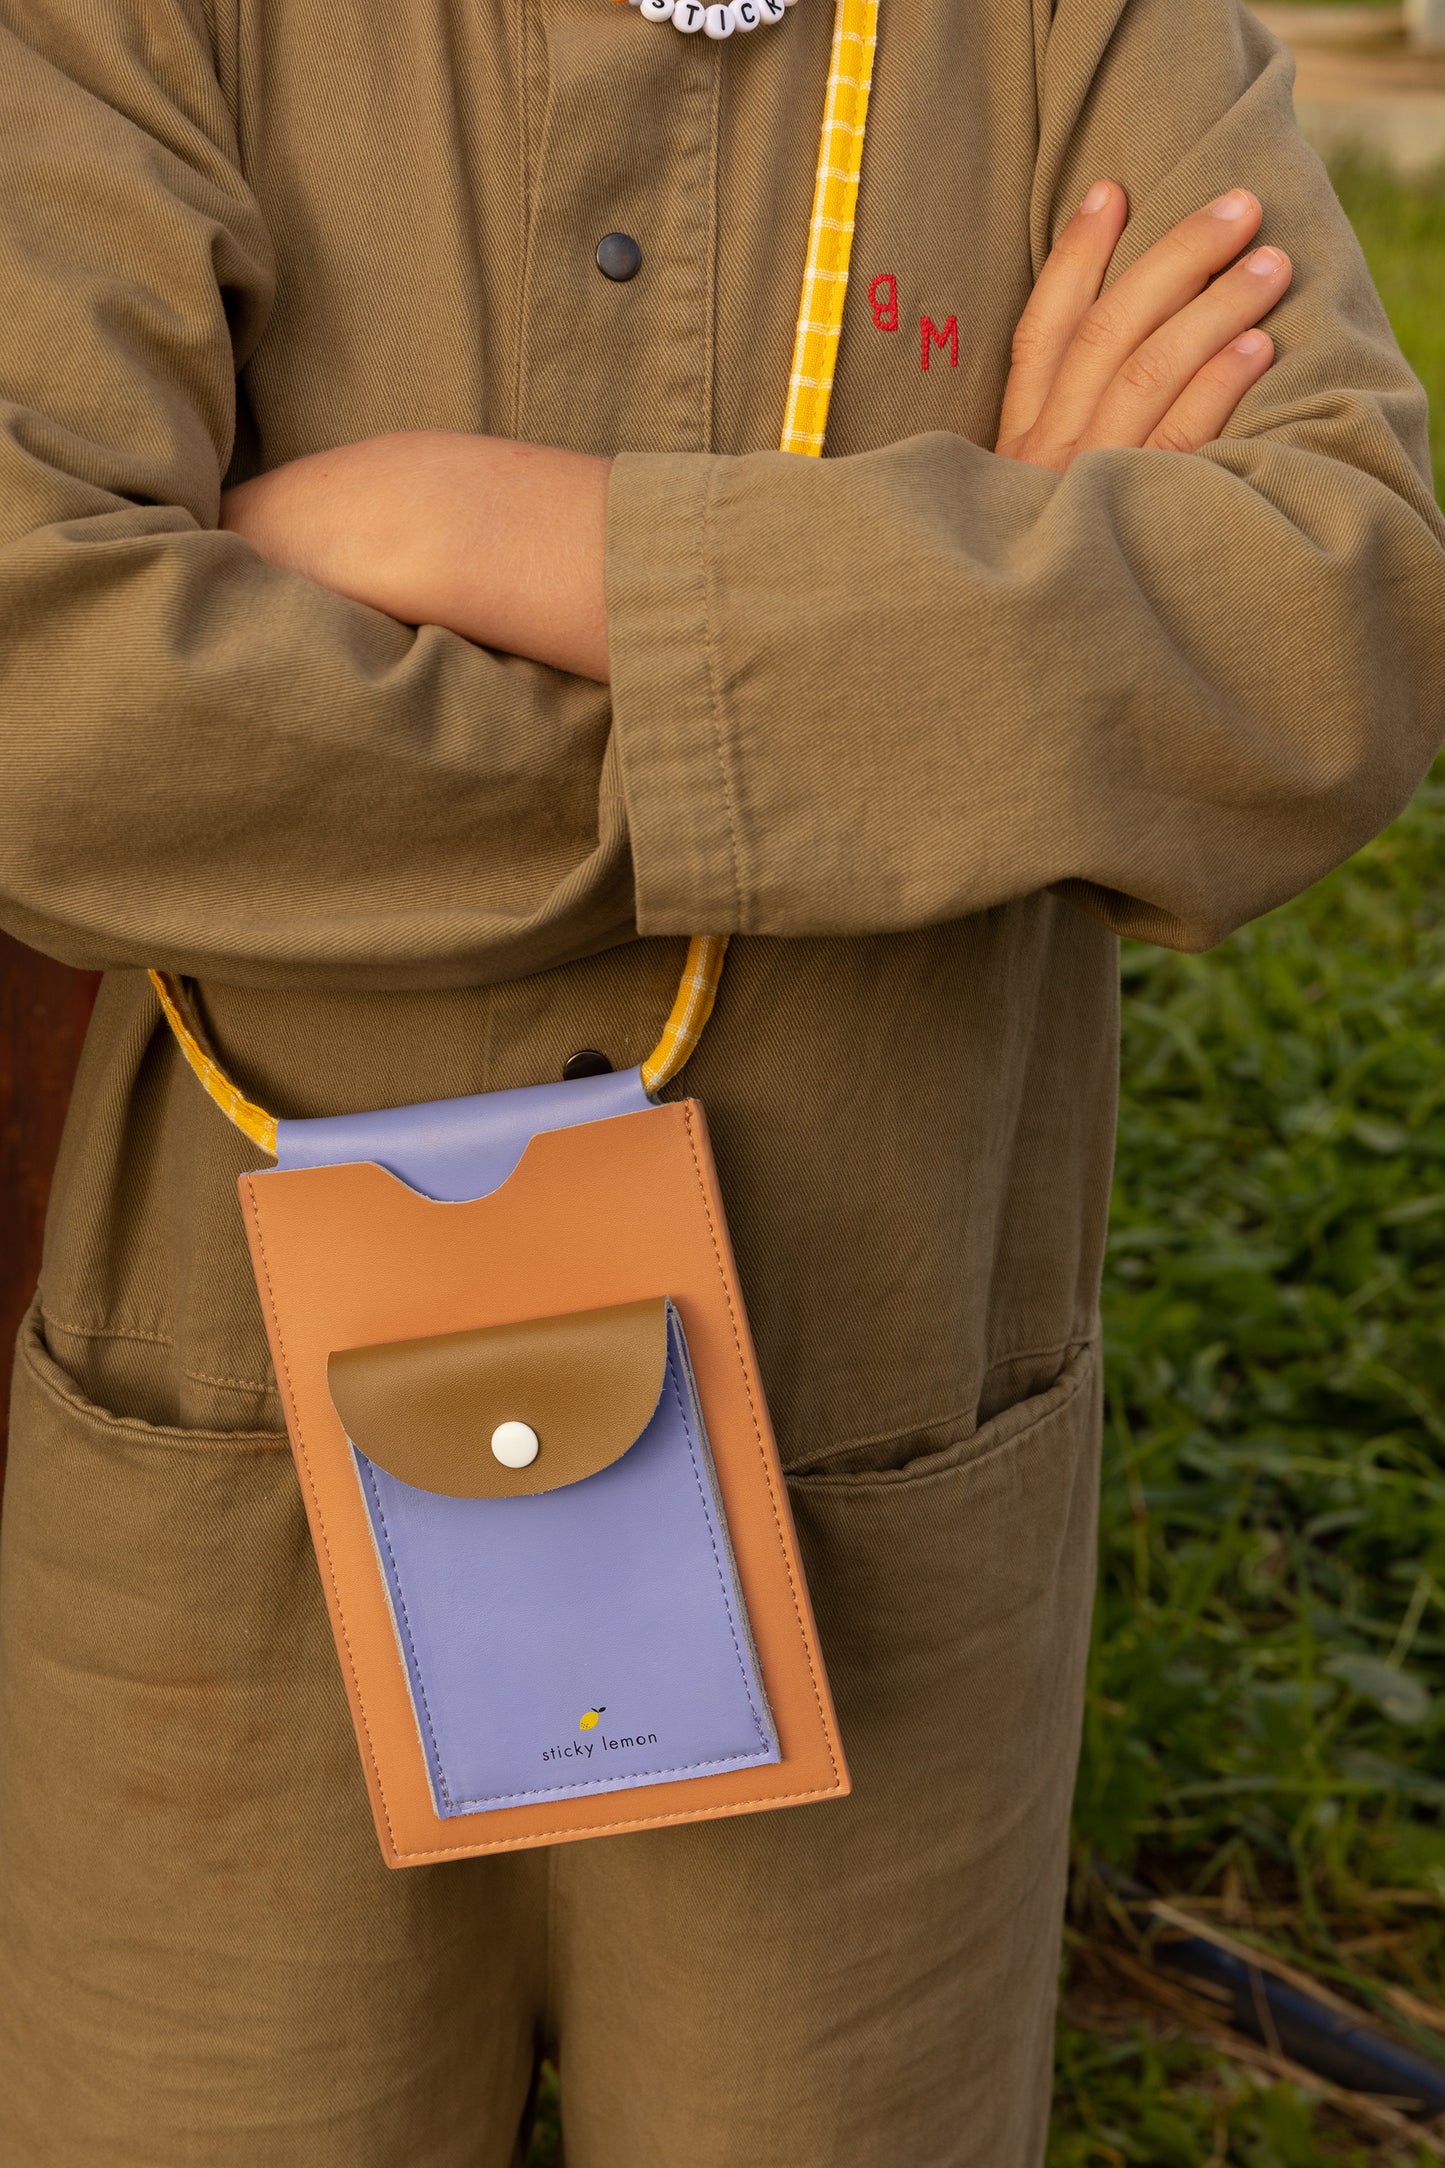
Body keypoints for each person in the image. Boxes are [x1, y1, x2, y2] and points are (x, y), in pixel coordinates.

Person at [0, 0, 1441, 2161]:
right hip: (232, 1515)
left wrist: (499, 537)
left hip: (873, 1464)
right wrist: (940, 654)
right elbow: (45, 701)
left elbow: (1329, 634)